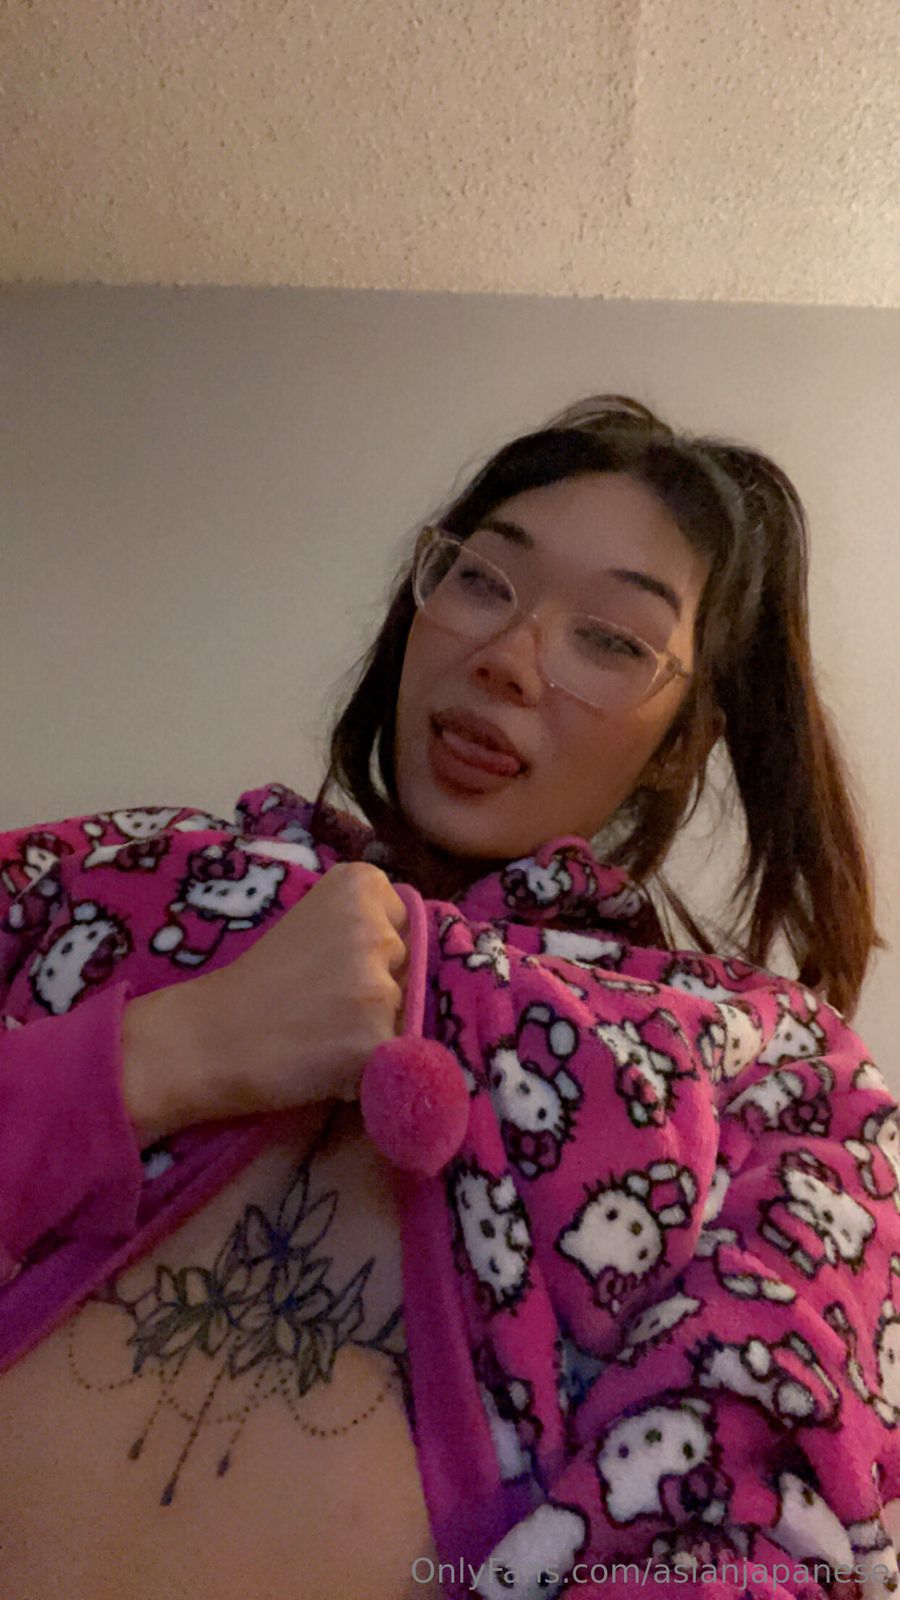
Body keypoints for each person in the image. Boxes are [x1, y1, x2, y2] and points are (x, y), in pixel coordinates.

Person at [0, 394, 897, 1600]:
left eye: (612, 639)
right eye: (481, 579)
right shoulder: (107, 882)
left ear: (685, 740)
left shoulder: (773, 1075)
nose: (508, 656)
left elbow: (759, 1526)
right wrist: (168, 1052)